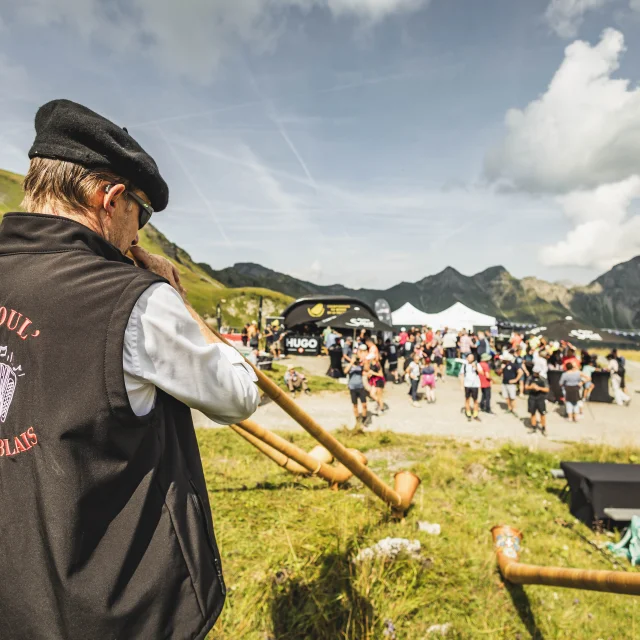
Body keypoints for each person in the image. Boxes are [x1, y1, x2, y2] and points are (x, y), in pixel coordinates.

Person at [0, 99, 260, 639]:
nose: (138, 236)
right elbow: (239, 394)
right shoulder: (133, 300)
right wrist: (174, 297)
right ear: (110, 198)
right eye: (140, 214)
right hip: (116, 607)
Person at [345, 351, 368, 427]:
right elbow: (345, 371)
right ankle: (357, 419)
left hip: (360, 387)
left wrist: (364, 361)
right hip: (353, 388)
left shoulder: (360, 366)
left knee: (364, 404)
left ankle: (364, 419)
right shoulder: (350, 366)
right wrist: (351, 363)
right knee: (355, 405)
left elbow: (366, 369)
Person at [525, 365, 550, 435]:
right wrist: (531, 387)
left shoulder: (543, 379)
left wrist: (539, 388)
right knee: (532, 412)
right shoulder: (530, 378)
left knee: (542, 413)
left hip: (540, 398)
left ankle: (543, 427)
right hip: (532, 397)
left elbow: (547, 389)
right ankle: (533, 426)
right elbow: (526, 387)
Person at [459, 353, 482, 420]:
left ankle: (475, 414)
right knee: (467, 399)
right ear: (467, 358)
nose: (471, 359)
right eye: (469, 357)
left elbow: (482, 373)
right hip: (467, 384)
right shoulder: (464, 365)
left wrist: (476, 368)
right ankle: (468, 412)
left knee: (475, 400)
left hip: (475, 385)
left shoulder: (477, 364)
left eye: (472, 357)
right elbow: (462, 375)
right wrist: (461, 385)